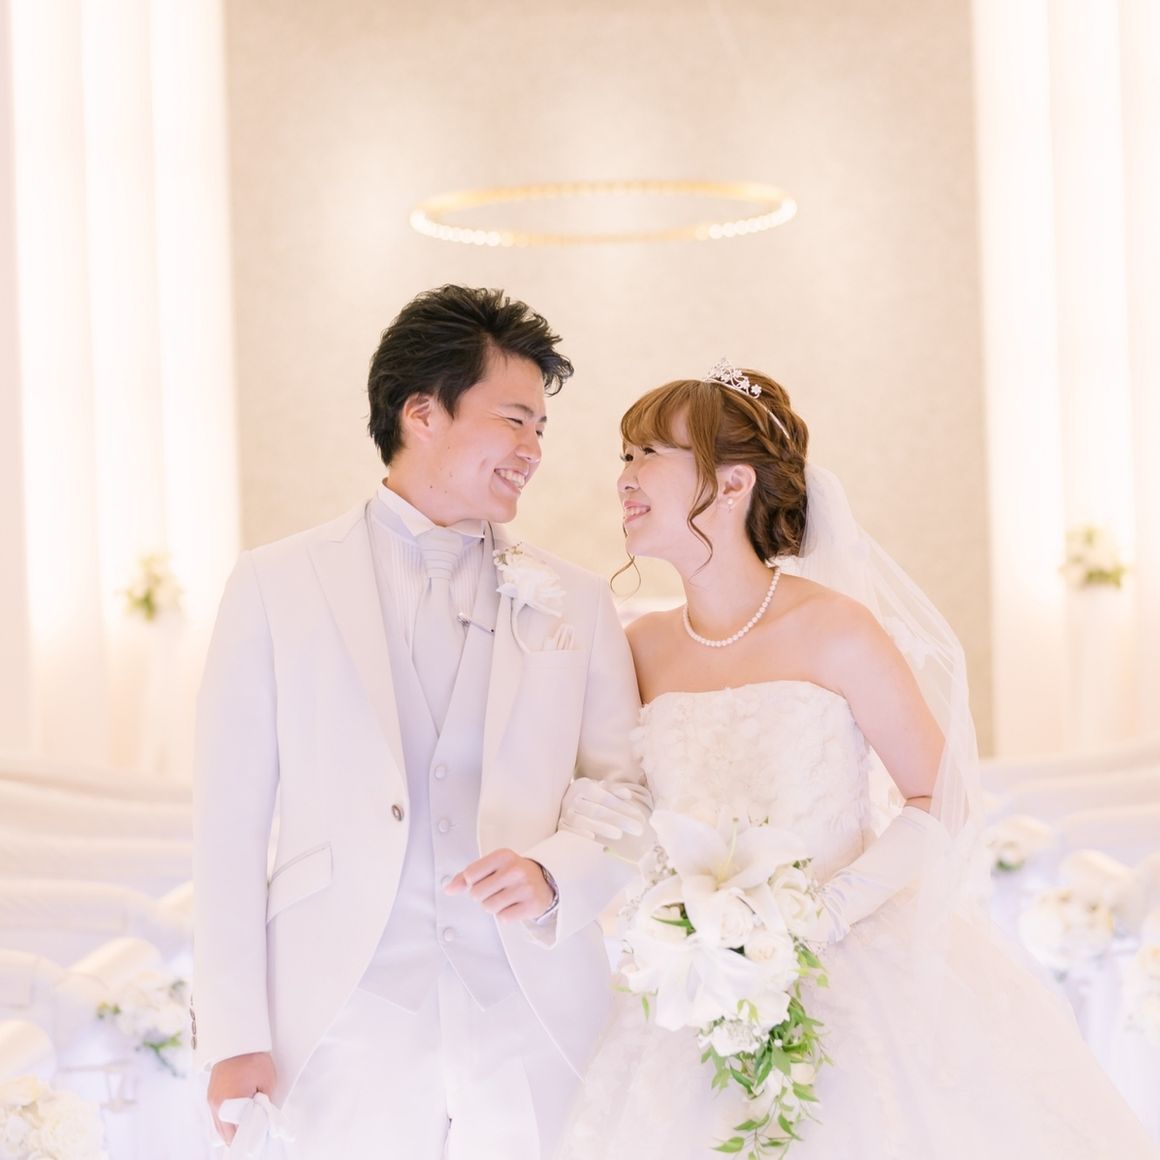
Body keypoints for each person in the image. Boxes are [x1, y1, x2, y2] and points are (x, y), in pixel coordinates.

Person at [558, 362, 1159, 1158]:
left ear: (732, 482)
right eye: (624, 456)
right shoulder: (639, 647)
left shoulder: (836, 628)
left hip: (856, 960)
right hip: (692, 981)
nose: (625, 478)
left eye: (647, 454)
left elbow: (940, 797)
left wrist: (825, 913)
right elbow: (624, 801)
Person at [192, 285, 650, 1159]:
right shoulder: (276, 585)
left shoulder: (578, 600)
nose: (533, 450)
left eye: (541, 429)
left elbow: (626, 789)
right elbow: (227, 825)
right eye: (514, 420)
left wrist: (557, 873)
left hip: (532, 1007)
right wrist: (233, 1032)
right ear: (422, 412)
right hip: (341, 1010)